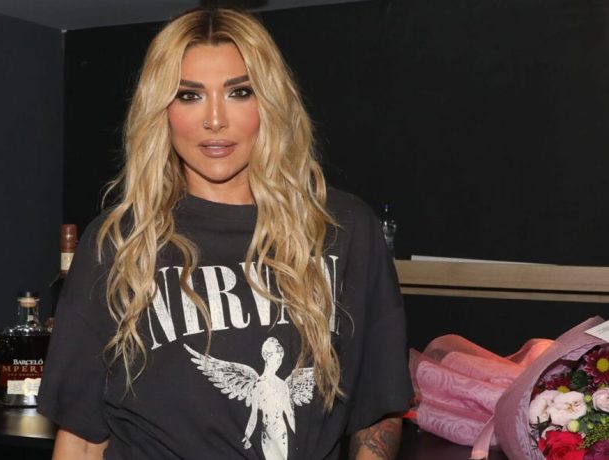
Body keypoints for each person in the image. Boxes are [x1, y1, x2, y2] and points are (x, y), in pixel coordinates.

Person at [37, 7, 412, 460]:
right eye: (189, 95)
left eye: (239, 92)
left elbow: (378, 409)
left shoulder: (343, 229)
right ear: (162, 110)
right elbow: (81, 439)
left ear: (269, 102)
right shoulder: (119, 244)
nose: (215, 119)